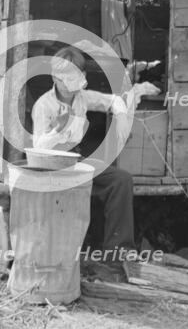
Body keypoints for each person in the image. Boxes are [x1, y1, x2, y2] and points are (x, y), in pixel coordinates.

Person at [30, 46, 159, 281]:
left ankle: (116, 258)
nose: (70, 84)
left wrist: (121, 120)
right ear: (55, 78)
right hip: (52, 167)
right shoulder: (44, 106)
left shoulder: (82, 98)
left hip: (77, 162)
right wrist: (58, 130)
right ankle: (64, 261)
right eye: (65, 77)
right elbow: (39, 147)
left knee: (120, 180)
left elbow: (113, 102)